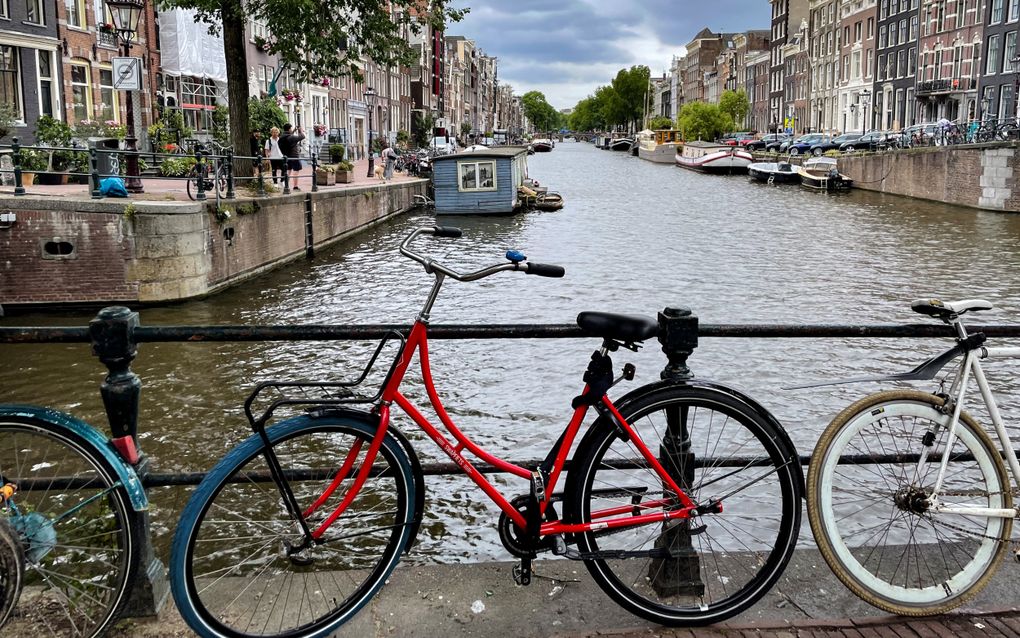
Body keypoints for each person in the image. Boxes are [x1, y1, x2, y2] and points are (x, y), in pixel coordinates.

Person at [278, 123, 306, 190]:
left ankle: (286, 185)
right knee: (296, 171)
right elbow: (302, 136)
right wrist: (301, 130)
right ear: (289, 129)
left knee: (288, 171)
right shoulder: (291, 137)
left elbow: (289, 137)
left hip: (286, 156)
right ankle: (295, 186)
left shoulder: (281, 138)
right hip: (294, 156)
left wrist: (293, 131)